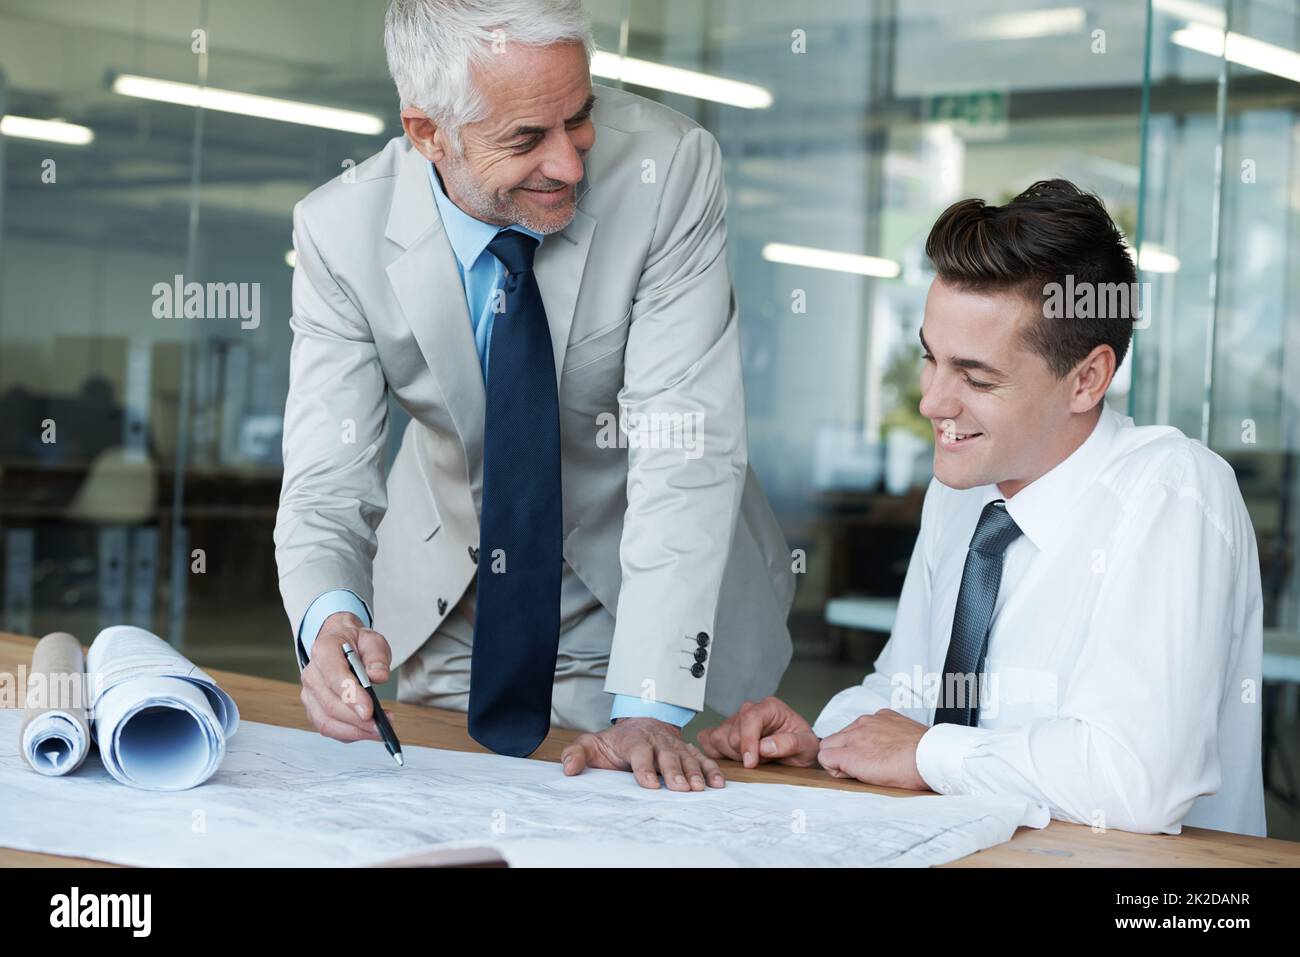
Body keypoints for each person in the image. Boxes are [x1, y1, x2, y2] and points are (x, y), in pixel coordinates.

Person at [276, 0, 794, 790]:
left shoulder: (668, 169)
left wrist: (648, 700)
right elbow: (324, 480)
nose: (571, 164)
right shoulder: (339, 231)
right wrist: (326, 617)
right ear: (428, 133)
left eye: (578, 118)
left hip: (641, 592)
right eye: (525, 138)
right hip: (451, 610)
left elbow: (684, 445)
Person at [699, 180, 1266, 835]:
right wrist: (826, 738)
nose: (933, 402)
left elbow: (1135, 779)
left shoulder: (1173, 492)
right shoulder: (961, 490)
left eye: (976, 377)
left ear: (1087, 378)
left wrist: (924, 752)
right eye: (929, 359)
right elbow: (907, 690)